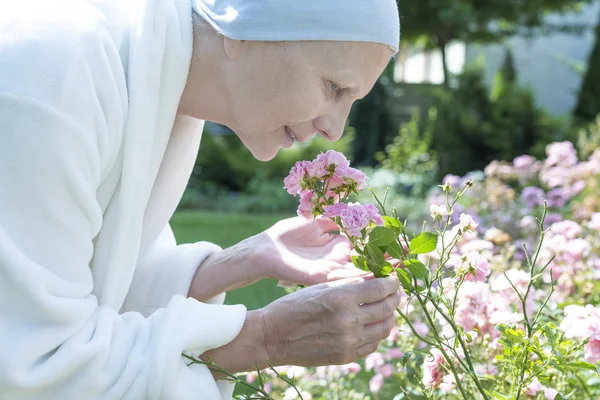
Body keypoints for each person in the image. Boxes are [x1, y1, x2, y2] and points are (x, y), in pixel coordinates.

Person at [0, 0, 401, 399]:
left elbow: (105, 280)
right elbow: (31, 359)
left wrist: (245, 259)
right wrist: (268, 338)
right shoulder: (57, 72)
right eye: (334, 87)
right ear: (246, 27)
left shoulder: (158, 80)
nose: (335, 129)